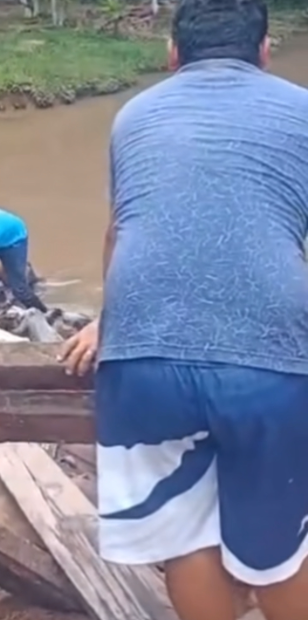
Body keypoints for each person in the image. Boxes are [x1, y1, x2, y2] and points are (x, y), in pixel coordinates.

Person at [59, 1, 308, 618]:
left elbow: (124, 232)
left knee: (184, 536)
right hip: (266, 362)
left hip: (141, 357)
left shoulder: (132, 116)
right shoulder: (302, 113)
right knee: (280, 547)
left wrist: (108, 320)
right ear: (265, 51)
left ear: (172, 54)